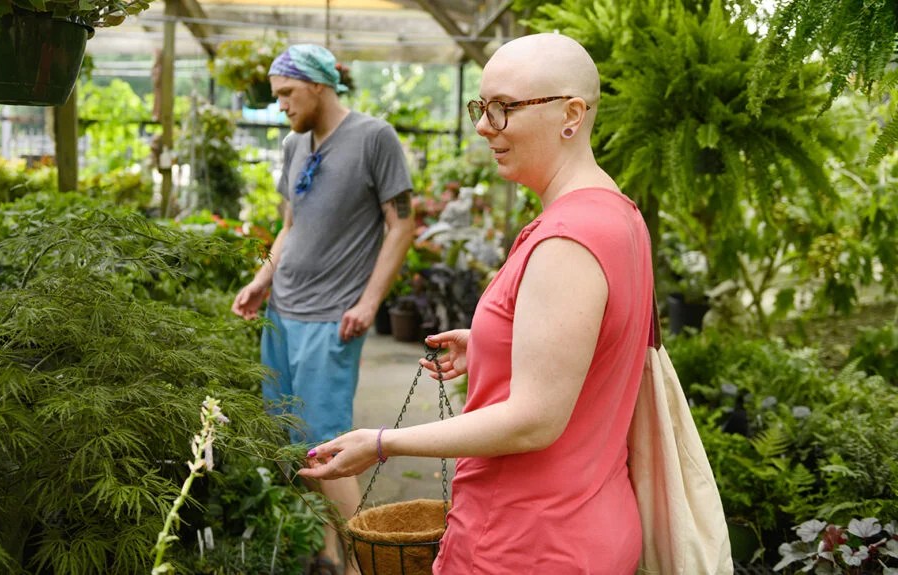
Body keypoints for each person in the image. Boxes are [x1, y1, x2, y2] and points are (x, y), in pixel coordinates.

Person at [299, 33, 653, 574]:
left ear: (572, 114)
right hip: (576, 526)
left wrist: (382, 442)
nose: (485, 125)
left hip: (527, 542)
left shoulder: (566, 239)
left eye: (504, 108)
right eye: (481, 107)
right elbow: (600, 349)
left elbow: (534, 421)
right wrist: (492, 344)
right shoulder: (618, 215)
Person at [230, 44, 415, 575]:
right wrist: (261, 280)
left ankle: (366, 565)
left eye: (286, 93)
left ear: (317, 84)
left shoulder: (373, 137)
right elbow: (289, 227)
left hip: (332, 318)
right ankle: (328, 555)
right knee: (291, 441)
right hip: (283, 315)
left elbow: (401, 223)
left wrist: (369, 301)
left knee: (327, 448)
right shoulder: (294, 145)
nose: (281, 105)